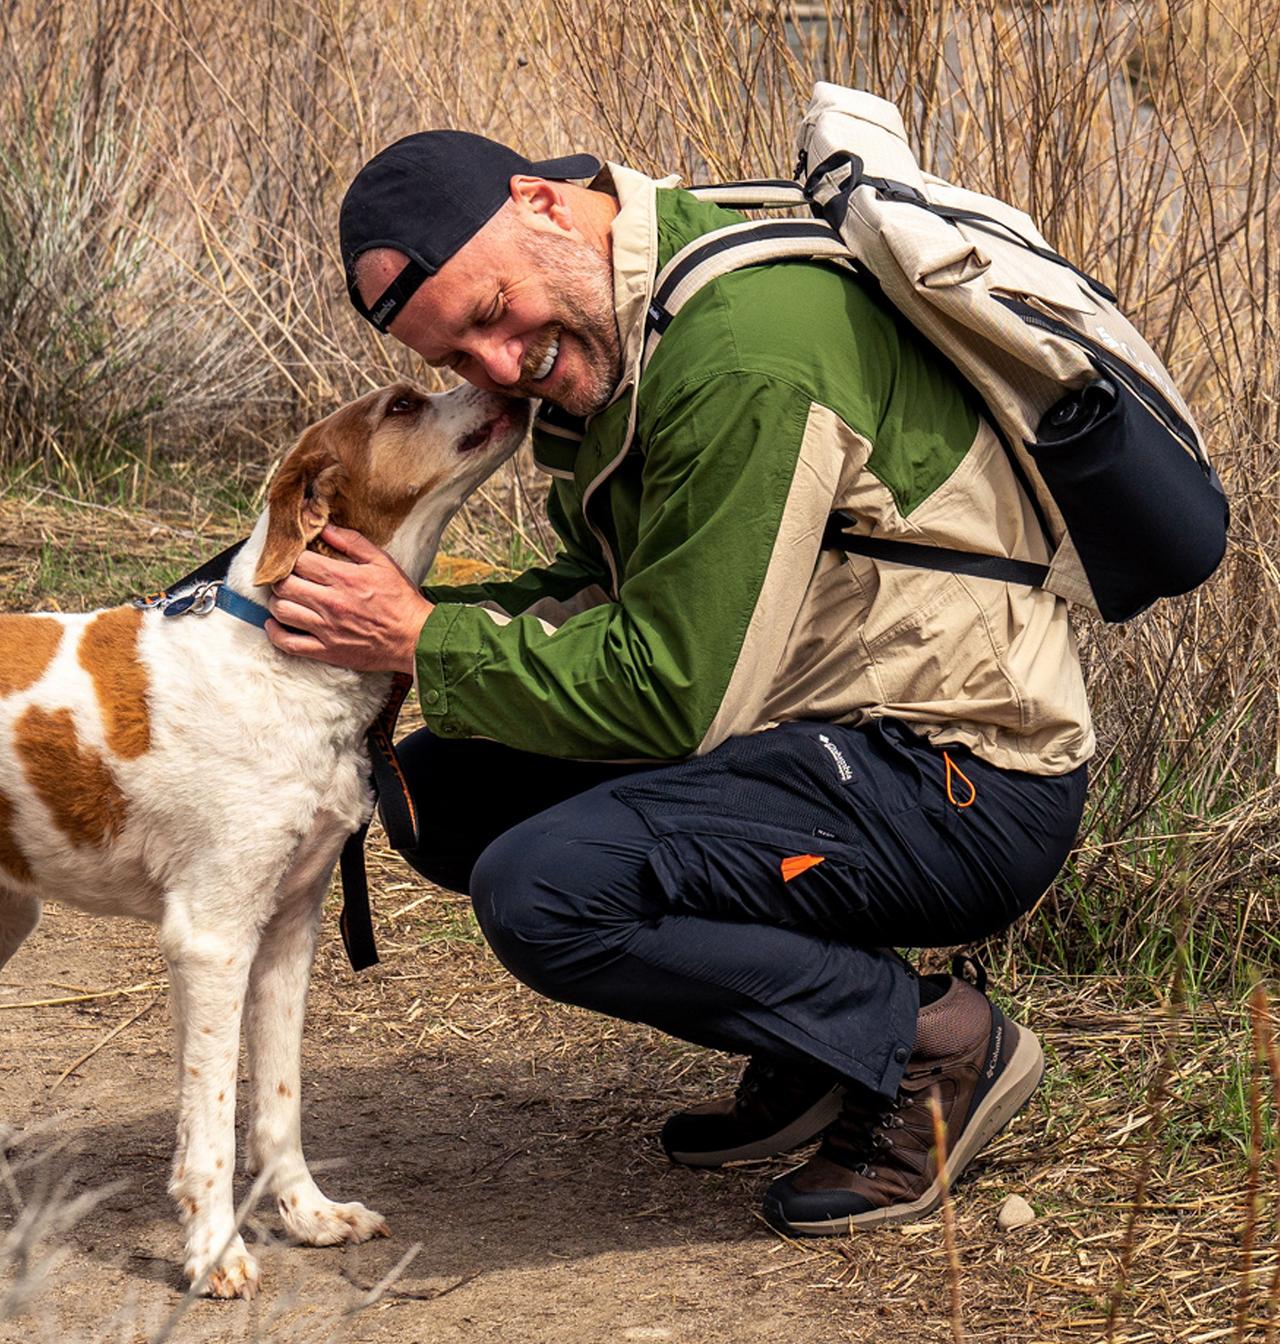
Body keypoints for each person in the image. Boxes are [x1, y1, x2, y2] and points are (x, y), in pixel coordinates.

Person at [264, 130, 1092, 1236]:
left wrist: (422, 641)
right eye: (455, 358)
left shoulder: (744, 346)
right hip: (816, 731)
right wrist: (377, 621)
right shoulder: (631, 323)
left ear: (541, 205)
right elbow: (611, 591)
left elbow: (673, 692)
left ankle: (928, 1047)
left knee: (546, 889)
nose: (498, 368)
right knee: (441, 790)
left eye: (492, 313)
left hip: (957, 776)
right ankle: (814, 1045)